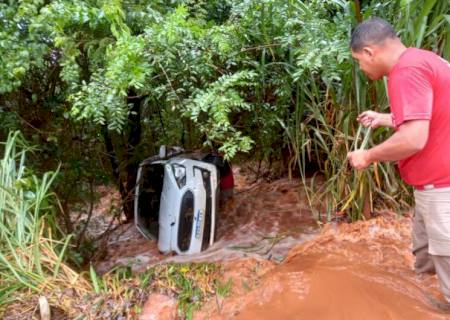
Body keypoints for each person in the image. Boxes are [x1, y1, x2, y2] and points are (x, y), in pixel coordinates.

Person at [347, 17, 450, 306]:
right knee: (425, 263)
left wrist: (367, 156)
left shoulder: (405, 72)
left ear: (369, 52)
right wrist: (385, 119)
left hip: (442, 189)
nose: (361, 67)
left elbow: (414, 139)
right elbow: (433, 114)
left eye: (359, 60)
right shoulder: (424, 60)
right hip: (434, 187)